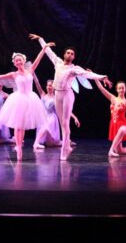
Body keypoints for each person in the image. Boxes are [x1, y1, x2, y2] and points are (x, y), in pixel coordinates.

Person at [29, 33, 111, 161]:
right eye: (68, 53)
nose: (70, 55)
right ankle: (67, 146)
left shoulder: (74, 69)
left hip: (67, 95)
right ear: (64, 54)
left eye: (72, 54)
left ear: (74, 57)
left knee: (66, 123)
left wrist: (102, 76)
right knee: (63, 123)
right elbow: (49, 52)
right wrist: (40, 39)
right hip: (57, 94)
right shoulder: (58, 62)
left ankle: (64, 151)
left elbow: (86, 74)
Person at [0, 47, 49, 160]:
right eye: (16, 61)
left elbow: (38, 59)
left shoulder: (30, 70)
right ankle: (18, 147)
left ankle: (19, 146)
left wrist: (44, 48)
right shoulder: (13, 74)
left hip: (30, 99)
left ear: (24, 61)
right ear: (14, 63)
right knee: (18, 125)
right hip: (19, 99)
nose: (18, 62)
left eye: (20, 60)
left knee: (22, 125)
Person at [93, 78, 126, 157]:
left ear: (125, 89)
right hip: (114, 125)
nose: (121, 90)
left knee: (123, 129)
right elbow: (101, 88)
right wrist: (94, 77)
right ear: (117, 90)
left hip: (123, 124)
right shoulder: (113, 99)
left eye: (123, 88)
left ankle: (110, 151)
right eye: (120, 88)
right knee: (120, 151)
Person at [32, 74, 80, 149]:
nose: (49, 87)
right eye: (48, 85)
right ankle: (37, 143)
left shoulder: (56, 98)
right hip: (43, 117)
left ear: (54, 87)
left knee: (50, 138)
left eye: (50, 85)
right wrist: (33, 74)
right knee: (49, 143)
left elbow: (65, 110)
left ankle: (66, 141)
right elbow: (37, 83)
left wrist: (74, 117)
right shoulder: (43, 95)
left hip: (52, 118)